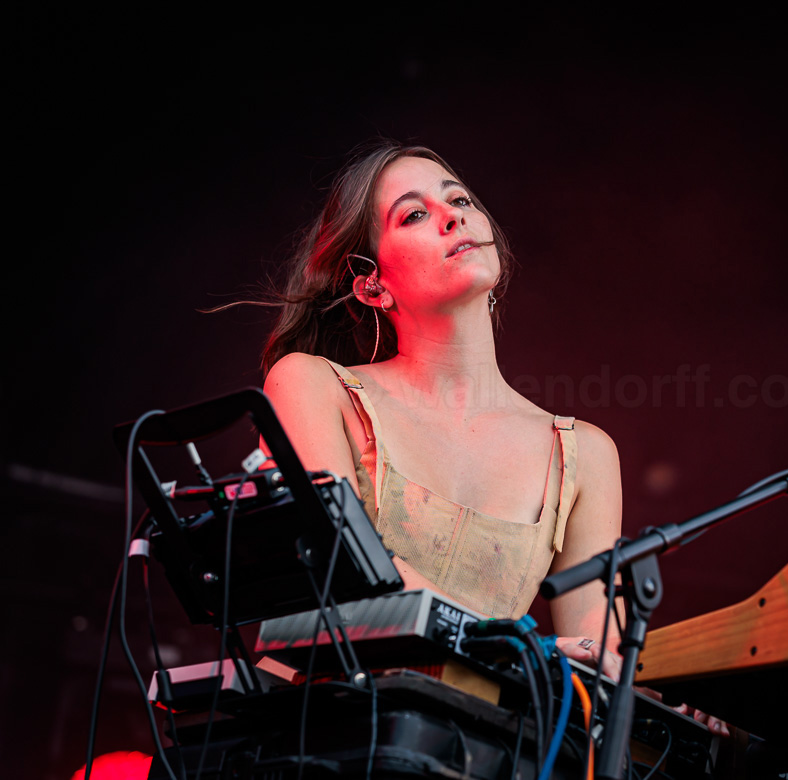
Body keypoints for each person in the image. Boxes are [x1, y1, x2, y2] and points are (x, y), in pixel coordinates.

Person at [255, 139, 728, 736]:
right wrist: (520, 648)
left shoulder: (582, 453)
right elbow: (343, 568)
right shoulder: (311, 384)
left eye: (459, 200)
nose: (453, 216)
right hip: (312, 733)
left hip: (469, 748)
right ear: (371, 285)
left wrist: (690, 694)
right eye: (414, 214)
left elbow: (600, 655)